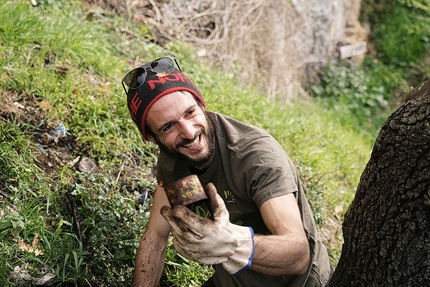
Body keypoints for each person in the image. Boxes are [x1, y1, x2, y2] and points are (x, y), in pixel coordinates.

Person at [122, 56, 332, 287]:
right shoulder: (176, 160)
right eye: (168, 126)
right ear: (152, 137)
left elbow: (298, 256)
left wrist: (233, 243)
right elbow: (157, 236)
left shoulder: (254, 156)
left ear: (201, 104)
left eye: (190, 113)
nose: (189, 132)